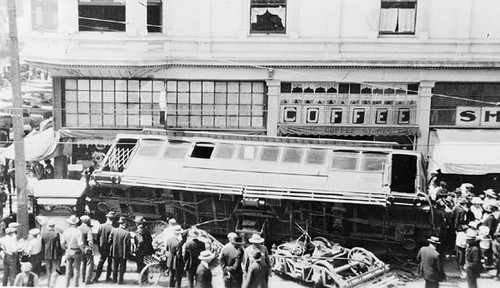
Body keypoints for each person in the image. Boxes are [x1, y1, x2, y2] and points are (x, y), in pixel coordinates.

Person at [61, 215, 84, 287]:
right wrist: (82, 250)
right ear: (76, 223)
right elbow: (80, 243)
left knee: (68, 269)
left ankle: (66, 285)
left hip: (69, 250)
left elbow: (62, 242)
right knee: (76, 269)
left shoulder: (66, 231)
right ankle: (75, 285)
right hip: (77, 251)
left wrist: (65, 248)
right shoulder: (78, 232)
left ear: (69, 223)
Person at [93, 211, 116, 283]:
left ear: (107, 218)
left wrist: (99, 246)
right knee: (109, 263)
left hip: (102, 248)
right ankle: (108, 277)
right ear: (113, 219)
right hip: (110, 249)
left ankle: (96, 277)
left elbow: (97, 237)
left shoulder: (101, 226)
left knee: (101, 262)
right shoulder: (113, 228)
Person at [108, 216, 131, 284]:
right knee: (122, 267)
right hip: (123, 253)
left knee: (114, 266)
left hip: (114, 252)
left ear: (119, 223)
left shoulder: (114, 230)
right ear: (124, 224)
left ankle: (114, 280)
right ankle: (120, 281)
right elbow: (128, 244)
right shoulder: (126, 233)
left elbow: (109, 241)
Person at [41, 220, 63, 288]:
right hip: (55, 254)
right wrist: (61, 253)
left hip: (46, 253)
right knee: (55, 270)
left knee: (48, 269)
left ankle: (48, 284)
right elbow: (58, 245)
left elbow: (42, 244)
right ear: (53, 226)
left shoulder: (44, 233)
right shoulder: (56, 233)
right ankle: (54, 284)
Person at [77, 215, 94, 285]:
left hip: (79, 248)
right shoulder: (88, 229)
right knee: (89, 264)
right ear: (87, 221)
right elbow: (90, 240)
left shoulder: (77, 228)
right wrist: (91, 248)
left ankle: (82, 279)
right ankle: (87, 280)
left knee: (82, 263)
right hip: (87, 248)